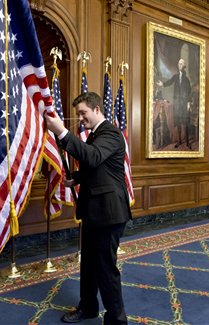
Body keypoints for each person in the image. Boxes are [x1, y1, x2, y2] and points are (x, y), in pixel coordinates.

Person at [45, 91, 132, 324]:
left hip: (109, 212)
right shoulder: (95, 135)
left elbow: (93, 157)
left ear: (96, 109)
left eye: (83, 113)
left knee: (105, 268)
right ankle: (89, 307)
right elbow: (98, 168)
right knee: (89, 264)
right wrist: (77, 178)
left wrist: (61, 132)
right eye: (77, 114)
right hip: (95, 210)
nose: (80, 118)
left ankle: (117, 320)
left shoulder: (111, 133)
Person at [156, 58, 192, 148]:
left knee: (186, 123)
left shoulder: (186, 79)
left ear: (184, 66)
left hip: (184, 104)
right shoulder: (175, 76)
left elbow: (189, 91)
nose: (179, 65)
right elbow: (170, 82)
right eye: (179, 64)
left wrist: (188, 103)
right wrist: (163, 84)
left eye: (181, 64)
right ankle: (179, 141)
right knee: (178, 122)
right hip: (177, 104)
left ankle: (187, 142)